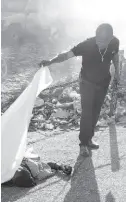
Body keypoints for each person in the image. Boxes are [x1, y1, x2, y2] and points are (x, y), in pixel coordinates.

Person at [39, 23, 120, 157]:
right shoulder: (86, 45)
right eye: (98, 41)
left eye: (104, 42)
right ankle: (83, 144)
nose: (100, 44)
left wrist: (117, 72)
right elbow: (66, 55)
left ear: (110, 38)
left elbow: (115, 56)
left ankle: (89, 139)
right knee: (87, 112)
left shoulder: (114, 42)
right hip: (87, 83)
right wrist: (50, 61)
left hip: (103, 82)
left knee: (96, 111)